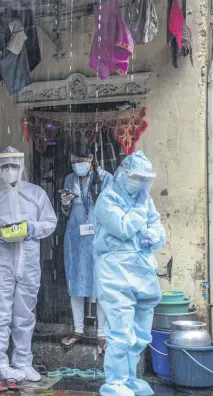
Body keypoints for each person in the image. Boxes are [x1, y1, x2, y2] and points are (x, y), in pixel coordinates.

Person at [0, 146, 57, 382]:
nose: (10, 170)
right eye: (5, 165)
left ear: (22, 165)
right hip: (0, 263)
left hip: (28, 263)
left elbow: (50, 222)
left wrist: (32, 228)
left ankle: (23, 361)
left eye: (14, 165)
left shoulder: (36, 193)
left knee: (25, 314)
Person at [94, 151, 165, 396]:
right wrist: (140, 211)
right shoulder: (107, 198)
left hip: (143, 271)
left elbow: (157, 226)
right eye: (136, 177)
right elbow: (123, 228)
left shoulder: (145, 199)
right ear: (124, 174)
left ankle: (130, 378)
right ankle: (115, 382)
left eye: (144, 178)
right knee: (120, 333)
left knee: (141, 334)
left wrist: (154, 236)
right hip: (115, 273)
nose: (140, 182)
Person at [60, 144, 113, 353]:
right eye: (73, 162)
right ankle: (78, 329)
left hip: (98, 237)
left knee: (100, 283)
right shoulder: (69, 180)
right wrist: (65, 203)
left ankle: (102, 333)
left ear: (91, 157)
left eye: (80, 161)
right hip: (75, 237)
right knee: (76, 281)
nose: (77, 165)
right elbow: (66, 212)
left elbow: (112, 209)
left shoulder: (105, 178)